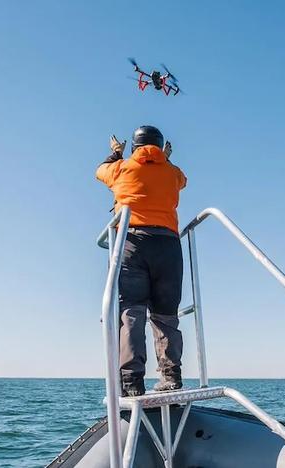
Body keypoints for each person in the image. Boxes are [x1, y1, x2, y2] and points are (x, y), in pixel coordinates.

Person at [96, 125, 187, 396]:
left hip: (132, 243)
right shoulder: (173, 173)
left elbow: (99, 171)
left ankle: (132, 382)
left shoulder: (121, 167)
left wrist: (115, 152)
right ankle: (171, 377)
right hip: (168, 246)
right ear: (160, 147)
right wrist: (165, 159)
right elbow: (182, 181)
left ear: (133, 148)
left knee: (132, 313)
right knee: (166, 314)